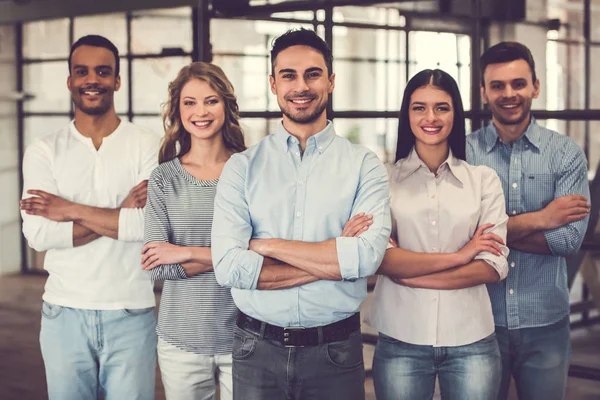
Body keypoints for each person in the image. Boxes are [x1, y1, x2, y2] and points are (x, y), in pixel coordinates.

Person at [211, 28, 391, 400]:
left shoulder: (363, 165)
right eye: (289, 75)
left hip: (335, 351)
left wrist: (265, 245)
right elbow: (229, 266)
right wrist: (334, 256)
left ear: (331, 80)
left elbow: (367, 257)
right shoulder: (242, 167)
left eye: (312, 73)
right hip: (256, 348)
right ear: (273, 84)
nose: (301, 86)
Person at [19, 35, 159, 400]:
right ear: (70, 81)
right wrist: (120, 214)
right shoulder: (43, 151)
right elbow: (38, 234)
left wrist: (68, 210)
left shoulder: (147, 144)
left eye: (102, 71)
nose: (91, 80)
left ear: (117, 80)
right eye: (81, 72)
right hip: (64, 313)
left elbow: (145, 226)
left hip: (132, 311)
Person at [366, 69, 509, 400]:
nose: (430, 117)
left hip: (472, 339)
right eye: (419, 107)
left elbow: (491, 265)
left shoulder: (483, 181)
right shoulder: (382, 180)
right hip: (401, 337)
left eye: (441, 107)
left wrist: (412, 273)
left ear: (455, 113)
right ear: (408, 114)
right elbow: (381, 257)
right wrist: (461, 255)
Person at [467, 41, 591, 400]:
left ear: (535, 86)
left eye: (518, 84)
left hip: (546, 325)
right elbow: (457, 234)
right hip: (479, 323)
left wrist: (488, 233)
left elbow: (567, 241)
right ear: (483, 92)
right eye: (498, 86)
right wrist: (542, 218)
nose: (509, 94)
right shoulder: (465, 153)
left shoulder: (565, 153)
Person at [141, 62, 246, 400]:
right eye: (190, 102)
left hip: (246, 338)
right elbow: (158, 265)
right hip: (180, 341)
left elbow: (262, 256)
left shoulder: (250, 171)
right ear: (178, 109)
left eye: (211, 100)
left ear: (226, 106)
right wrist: (233, 259)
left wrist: (187, 252)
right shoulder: (164, 178)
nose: (200, 111)